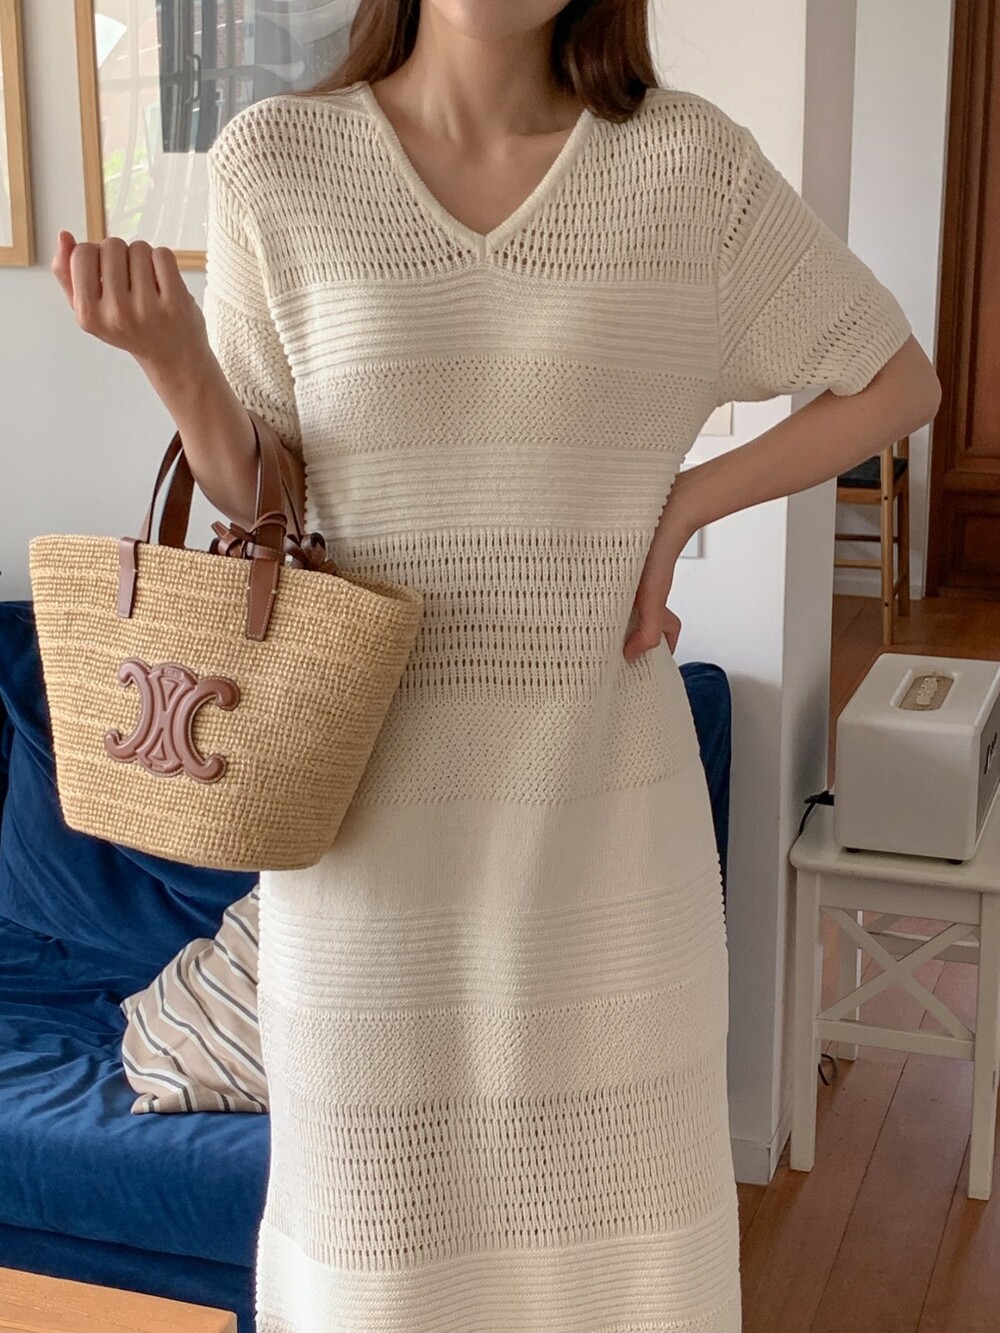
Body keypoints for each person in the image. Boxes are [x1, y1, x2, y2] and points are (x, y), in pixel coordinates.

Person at [51, 1, 941, 1328]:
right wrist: (177, 361)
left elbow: (896, 382)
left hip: (610, 853)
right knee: (379, 1287)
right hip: (369, 875)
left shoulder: (688, 168)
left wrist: (686, 503)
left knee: (621, 1289)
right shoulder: (276, 161)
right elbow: (270, 500)